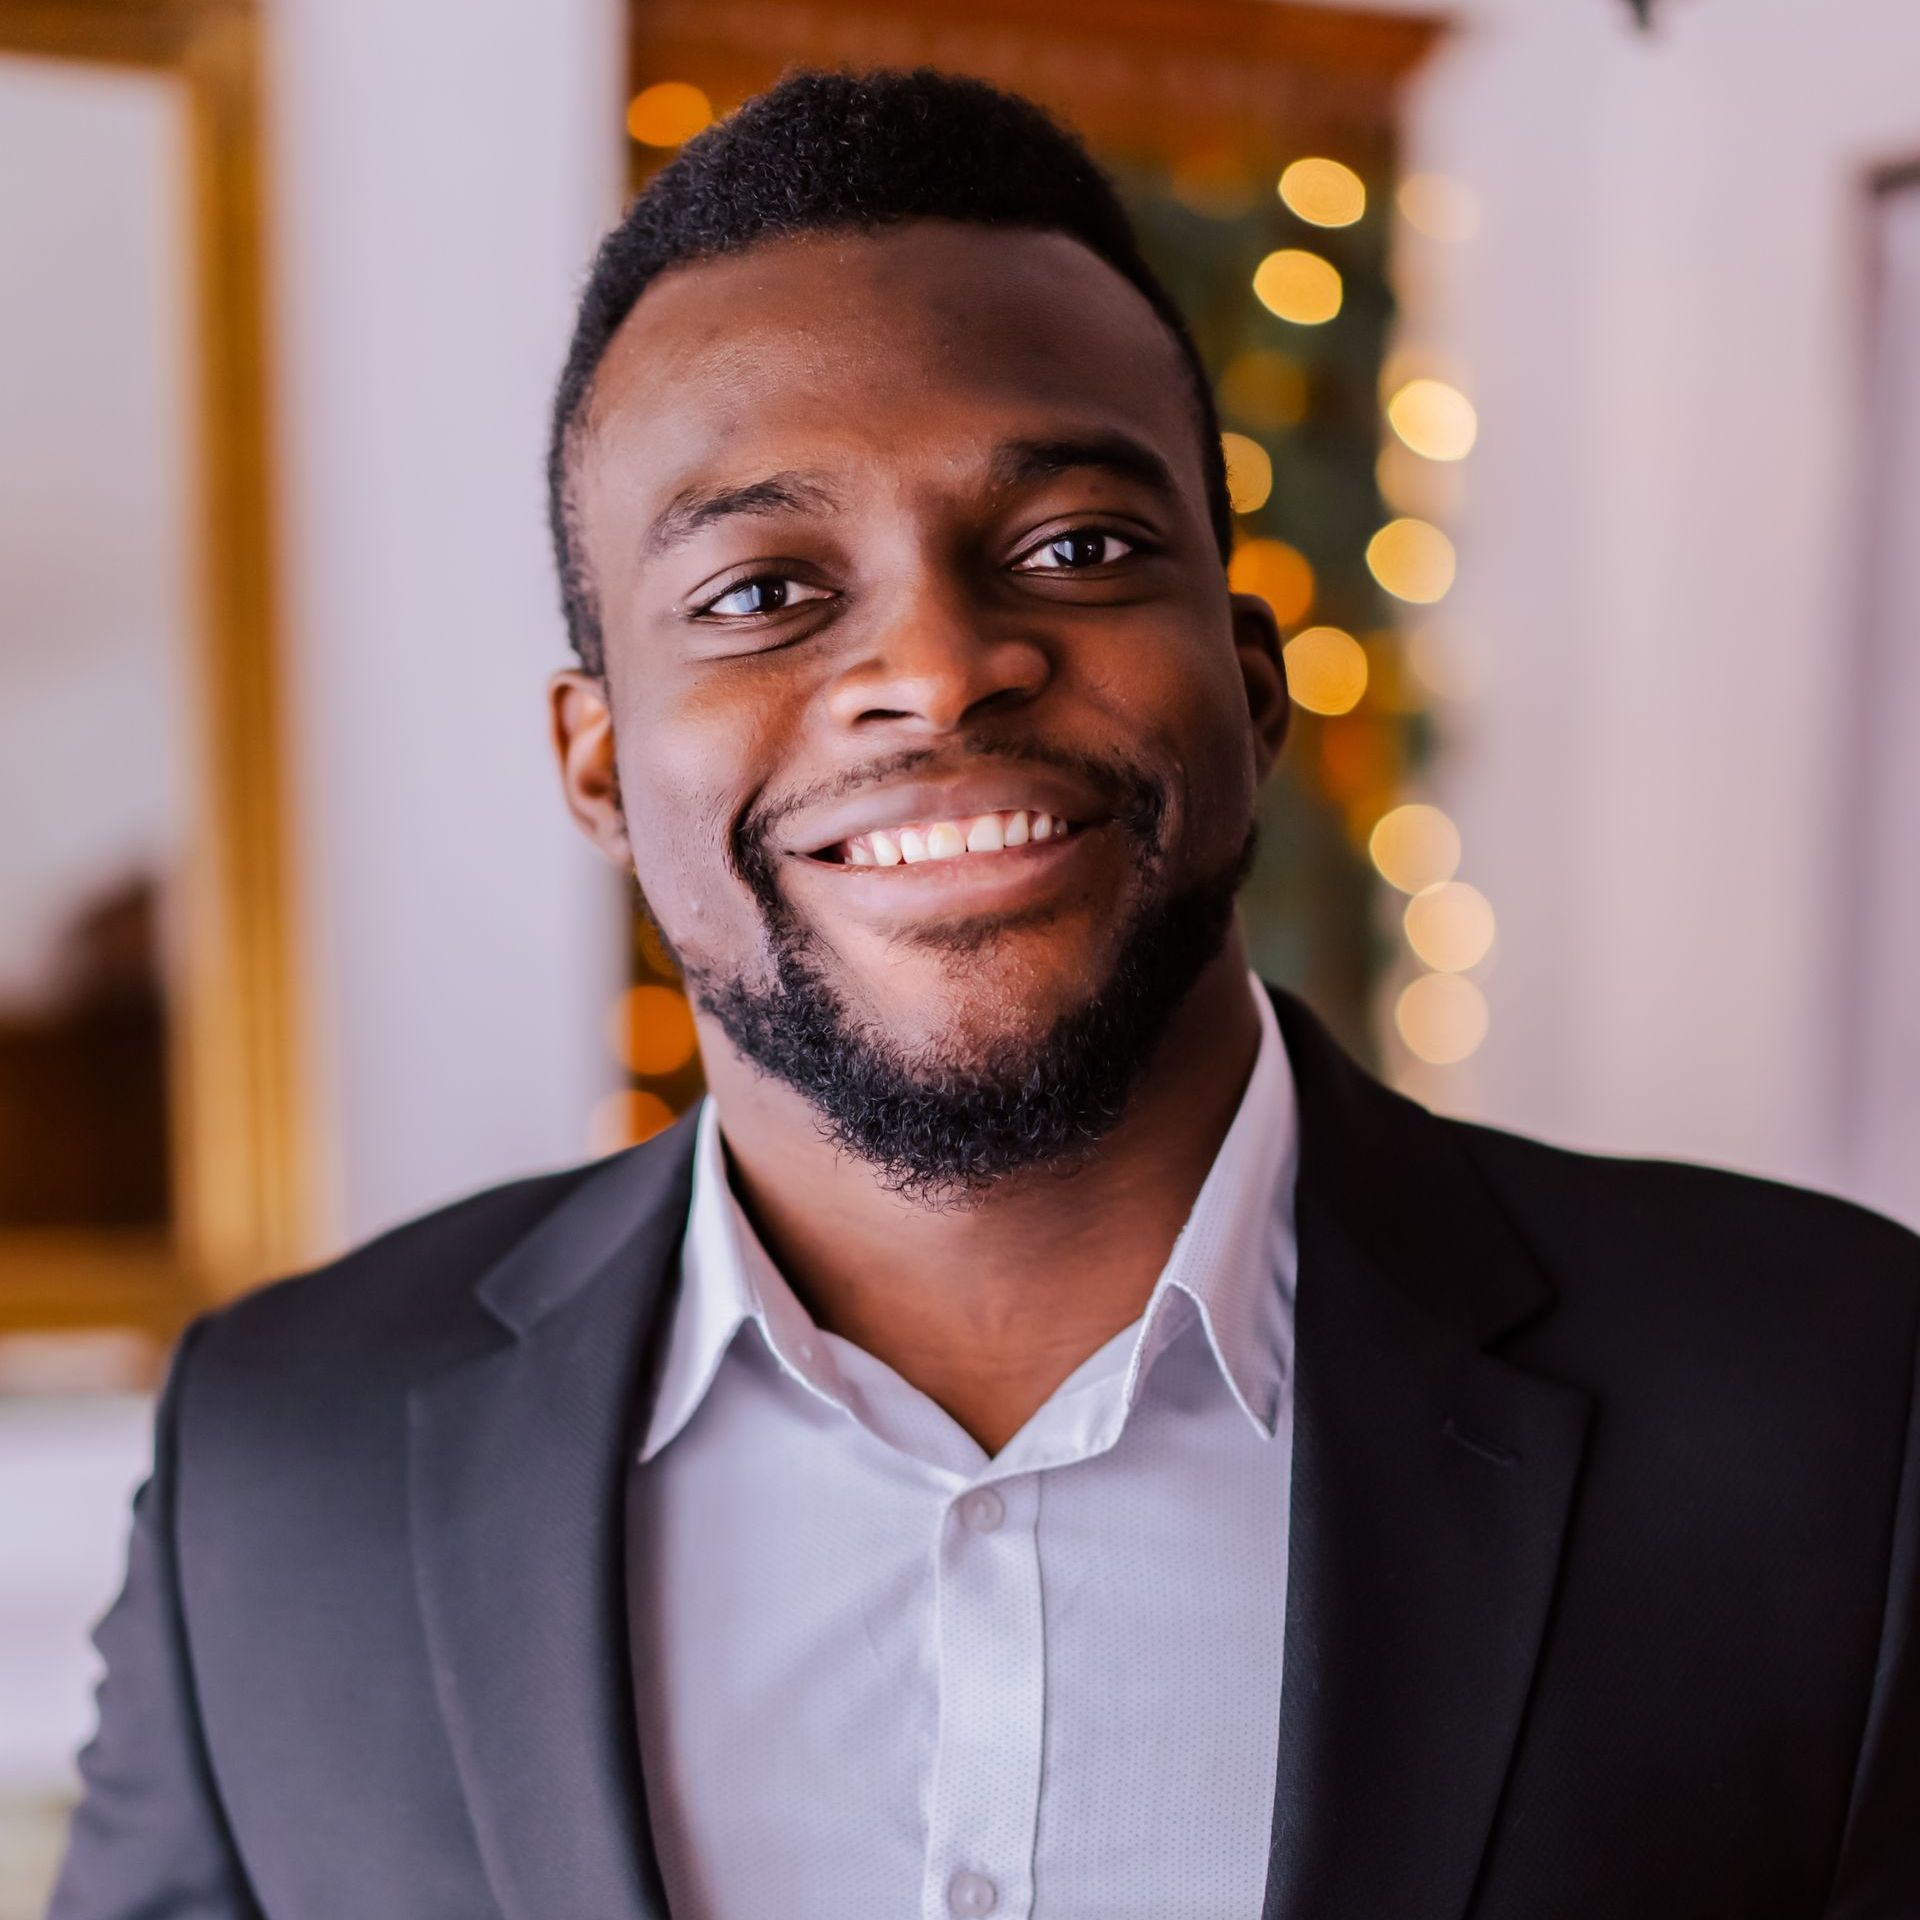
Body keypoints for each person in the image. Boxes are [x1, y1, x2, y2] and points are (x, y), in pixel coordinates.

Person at [49, 67, 1919, 1920]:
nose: (939, 669)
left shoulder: (1834, 1405)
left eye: (1077, 548)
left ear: (1255, 689)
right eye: (765, 590)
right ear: (602, 766)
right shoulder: (280, 1464)